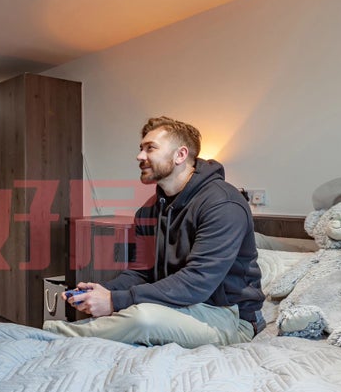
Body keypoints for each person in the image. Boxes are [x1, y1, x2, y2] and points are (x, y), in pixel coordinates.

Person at [43, 116, 265, 348]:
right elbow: (141, 272)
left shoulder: (223, 204)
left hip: (229, 317)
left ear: (180, 155)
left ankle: (50, 337)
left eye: (150, 148)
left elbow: (198, 282)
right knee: (138, 314)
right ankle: (60, 336)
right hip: (178, 305)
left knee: (144, 318)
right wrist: (106, 290)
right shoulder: (149, 210)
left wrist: (115, 301)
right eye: (141, 148)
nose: (140, 156)